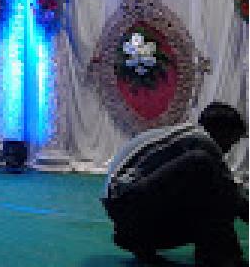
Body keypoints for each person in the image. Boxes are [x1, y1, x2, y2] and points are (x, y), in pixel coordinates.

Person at [101, 102, 248, 266]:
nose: (228, 149)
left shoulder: (180, 135)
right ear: (222, 131)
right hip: (126, 202)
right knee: (206, 170)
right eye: (231, 141)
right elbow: (235, 198)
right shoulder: (202, 141)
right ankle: (221, 257)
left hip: (124, 206)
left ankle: (138, 238)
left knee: (208, 188)